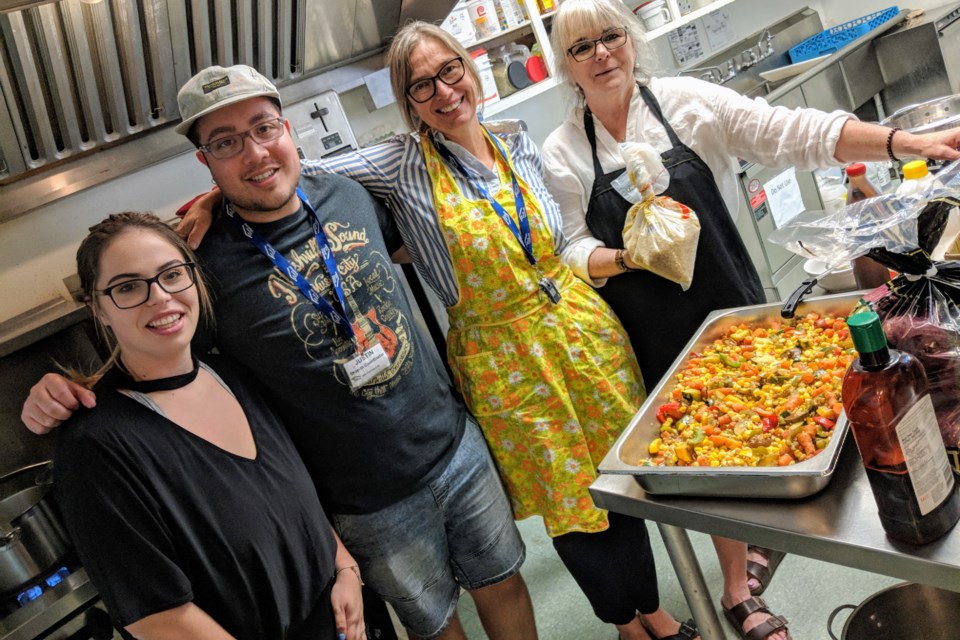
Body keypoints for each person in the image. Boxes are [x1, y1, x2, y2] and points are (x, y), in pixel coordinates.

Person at [178, 24, 697, 640]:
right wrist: (213, 198)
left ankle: (654, 610)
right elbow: (286, 170)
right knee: (569, 505)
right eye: (421, 85)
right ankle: (627, 624)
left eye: (449, 70)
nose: (444, 91)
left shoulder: (517, 140)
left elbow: (558, 247)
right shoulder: (399, 162)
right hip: (506, 361)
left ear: (469, 66)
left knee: (620, 481)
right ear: (407, 100)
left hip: (582, 334)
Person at [22, 65, 536, 640]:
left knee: (505, 582)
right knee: (435, 623)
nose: (255, 153)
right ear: (206, 162)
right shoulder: (200, 263)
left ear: (287, 129)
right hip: (363, 503)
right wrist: (63, 391)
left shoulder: (349, 193)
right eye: (226, 143)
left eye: (264, 128)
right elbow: (162, 349)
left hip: (455, 445)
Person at [539, 1, 960, 639]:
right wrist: (625, 257)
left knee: (796, 427)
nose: (601, 54)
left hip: (735, 319)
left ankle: (767, 558)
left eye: (611, 37)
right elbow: (569, 244)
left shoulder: (684, 103)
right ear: (565, 66)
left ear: (631, 41)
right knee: (696, 465)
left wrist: (905, 142)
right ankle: (738, 584)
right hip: (649, 329)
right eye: (581, 48)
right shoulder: (564, 150)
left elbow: (794, 132)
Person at [53, 211, 364, 640]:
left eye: (172, 274)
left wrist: (344, 567)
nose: (159, 297)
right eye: (127, 287)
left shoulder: (233, 374)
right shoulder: (97, 445)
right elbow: (155, 615)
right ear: (98, 309)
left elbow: (294, 496)